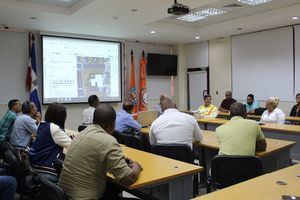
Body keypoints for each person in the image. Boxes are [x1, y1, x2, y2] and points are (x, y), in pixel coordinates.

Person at [59, 105, 142, 200]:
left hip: (65, 195)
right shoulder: (108, 140)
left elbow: (93, 160)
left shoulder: (80, 134)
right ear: (113, 125)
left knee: (112, 188)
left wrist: (120, 162)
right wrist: (136, 166)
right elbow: (127, 179)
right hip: (84, 197)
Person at [29, 103, 72, 183]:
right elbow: (72, 146)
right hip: (44, 170)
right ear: (61, 117)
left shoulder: (42, 124)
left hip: (34, 166)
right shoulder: (54, 128)